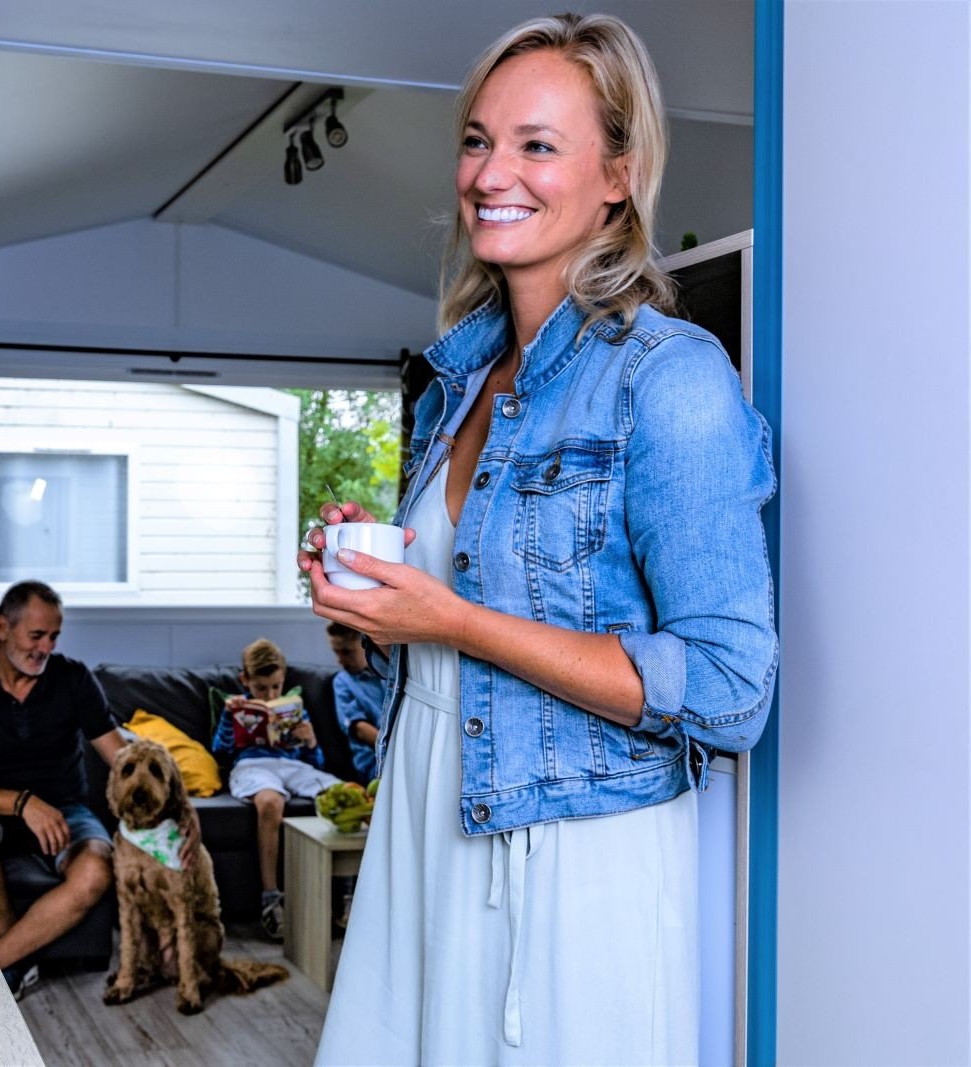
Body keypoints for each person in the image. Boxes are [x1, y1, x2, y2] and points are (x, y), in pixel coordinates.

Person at [306, 14, 777, 1064]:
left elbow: (730, 686)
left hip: (570, 854)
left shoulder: (669, 377)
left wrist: (455, 617)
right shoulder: (457, 380)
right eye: (477, 139)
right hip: (425, 817)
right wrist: (375, 599)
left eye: (535, 144)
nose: (490, 173)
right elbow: (441, 645)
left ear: (617, 172)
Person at [0, 580, 126, 999]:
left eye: (53, 637)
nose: (44, 648)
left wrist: (179, 811)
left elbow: (123, 759)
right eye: (36, 635)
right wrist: (22, 803)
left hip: (67, 812)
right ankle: (20, 956)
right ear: (2, 627)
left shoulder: (75, 678)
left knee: (97, 868)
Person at [211, 637, 341, 940]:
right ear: (246, 680)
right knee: (270, 803)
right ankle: (271, 898)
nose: (269, 695)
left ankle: (347, 896)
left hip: (293, 766)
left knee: (342, 795)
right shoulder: (237, 708)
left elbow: (316, 761)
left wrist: (309, 740)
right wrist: (233, 719)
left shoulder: (294, 708)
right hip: (252, 767)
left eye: (275, 687)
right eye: (261, 688)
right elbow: (221, 753)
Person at [326, 621, 386, 785]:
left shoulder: (390, 673)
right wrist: (395, 752)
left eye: (347, 652)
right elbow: (359, 729)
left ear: (368, 646)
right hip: (375, 763)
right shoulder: (343, 682)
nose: (339, 660)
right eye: (336, 652)